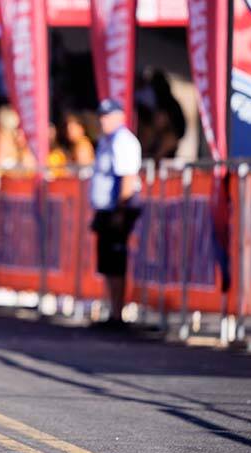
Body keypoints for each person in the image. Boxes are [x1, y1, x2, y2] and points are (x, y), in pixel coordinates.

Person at [90, 99, 142, 326]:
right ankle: (112, 311)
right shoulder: (106, 141)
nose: (103, 121)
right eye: (101, 116)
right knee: (107, 263)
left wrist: (120, 210)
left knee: (116, 260)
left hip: (118, 207)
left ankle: (118, 313)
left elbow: (127, 178)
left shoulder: (123, 141)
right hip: (106, 208)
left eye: (107, 116)